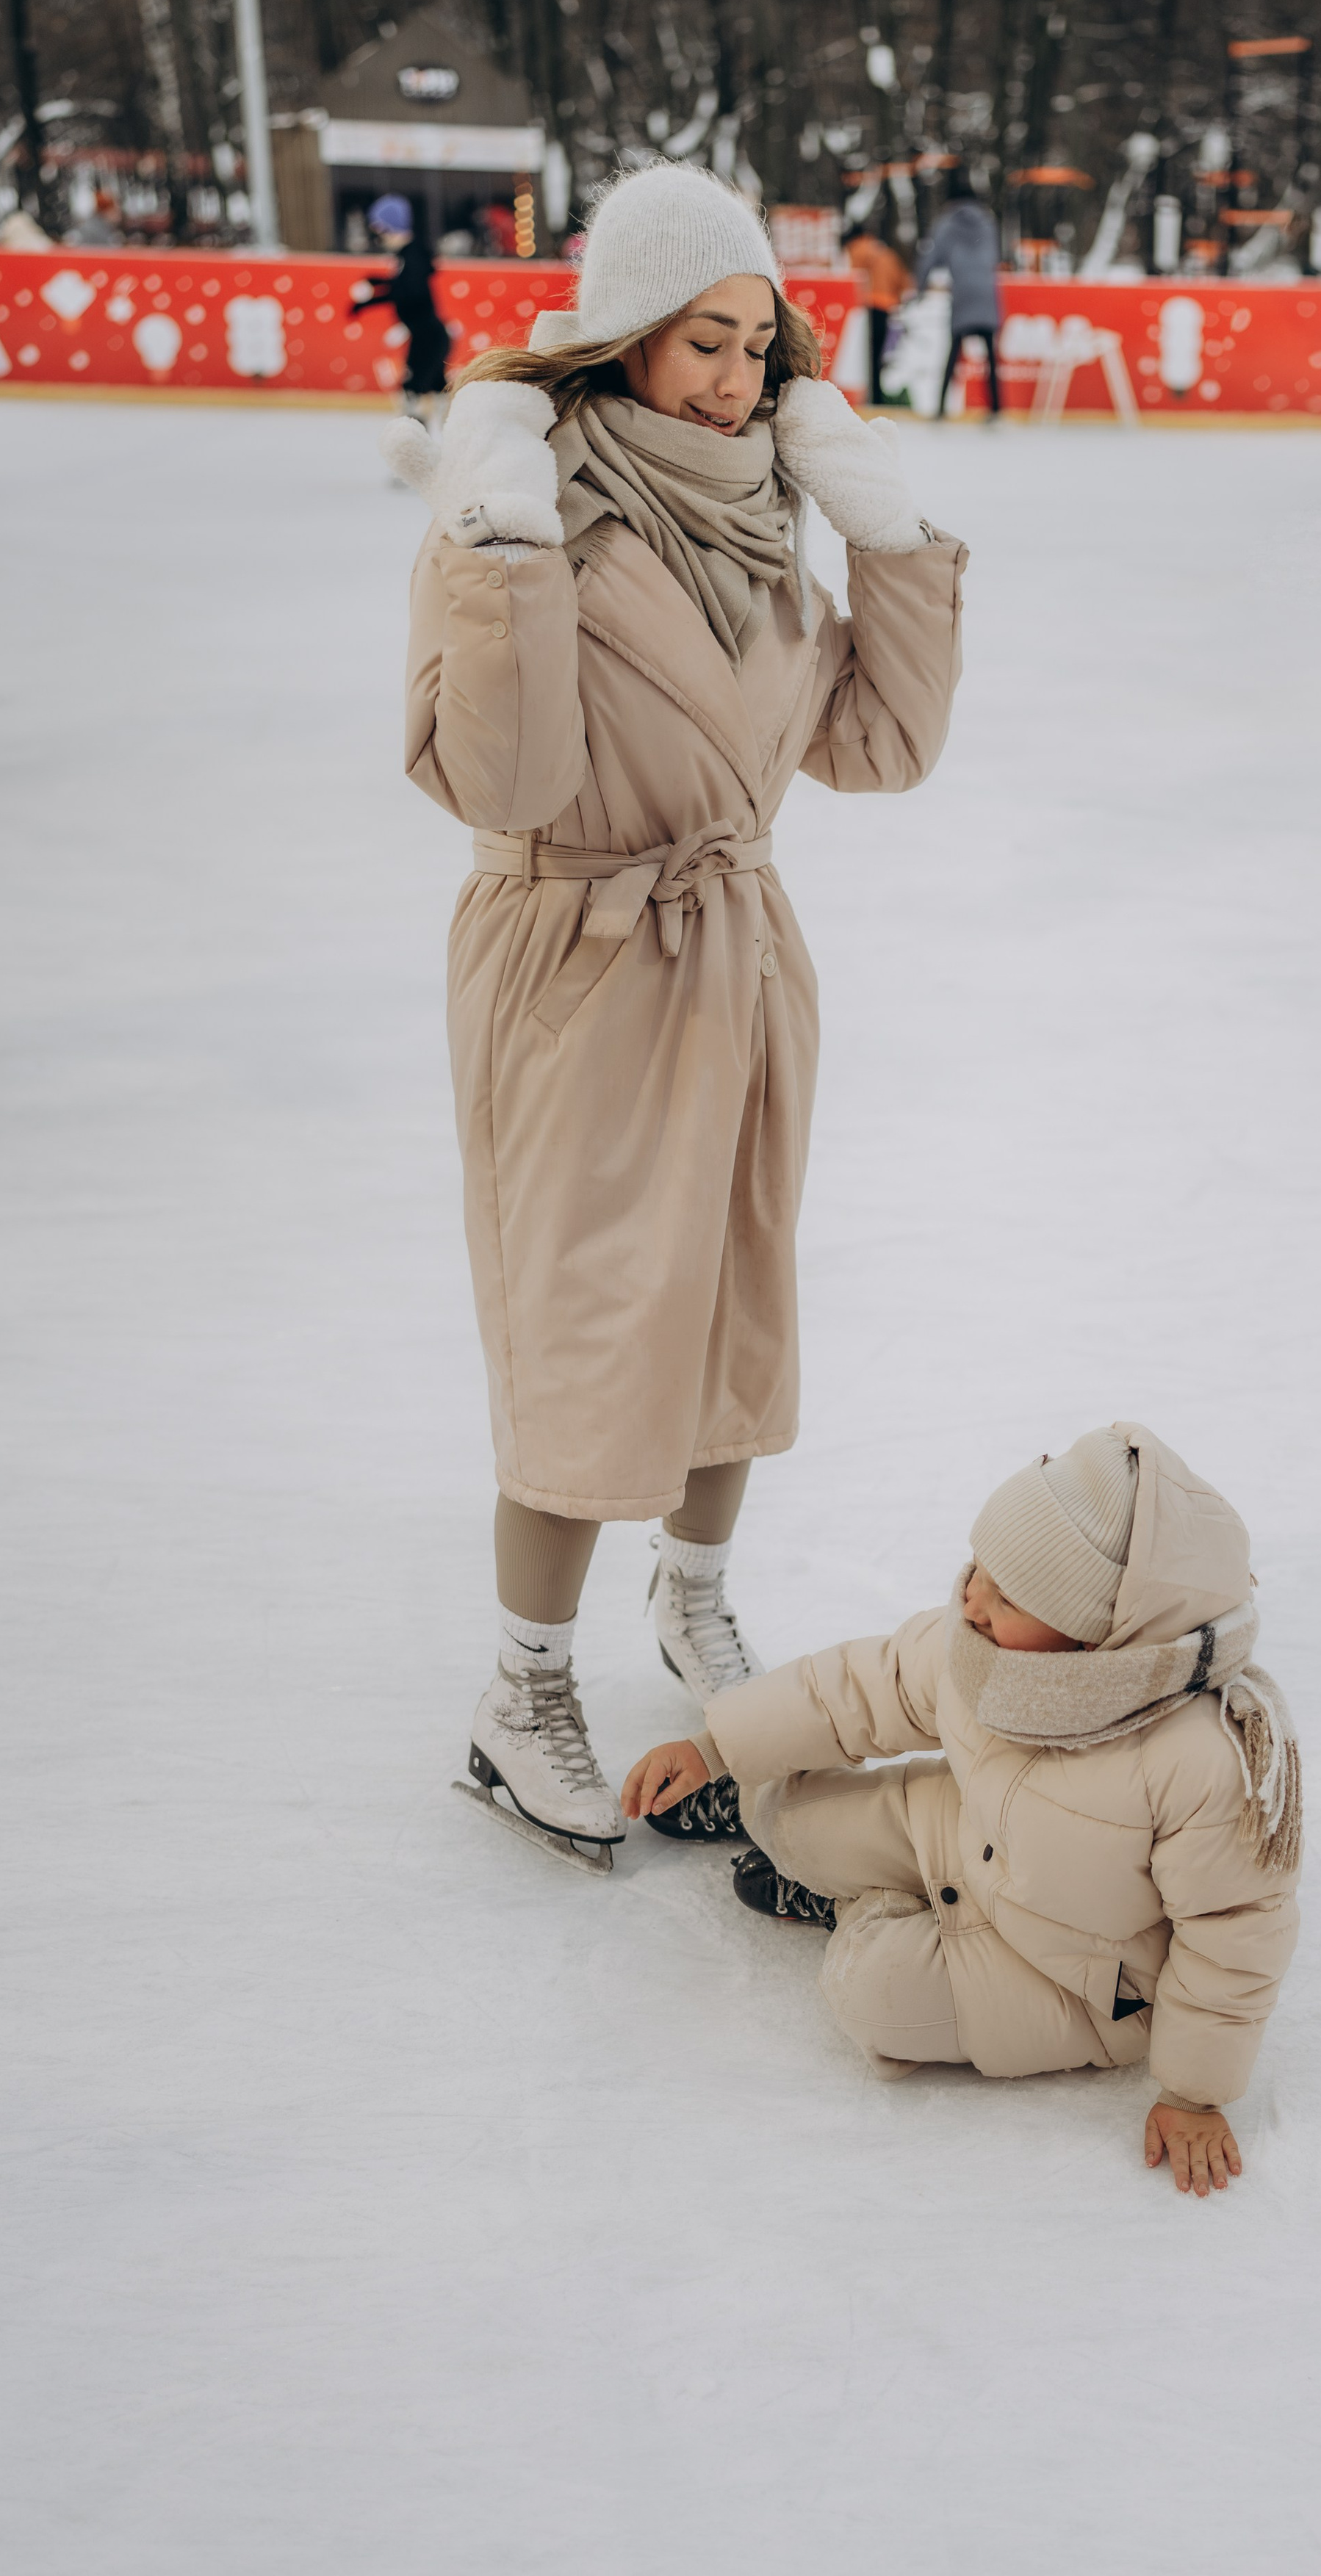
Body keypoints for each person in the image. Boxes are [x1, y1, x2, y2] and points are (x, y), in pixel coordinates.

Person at [386, 163, 968, 1856]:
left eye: (756, 345)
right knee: (586, 1324)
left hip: (734, 940)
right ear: (624, 337)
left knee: (730, 1300)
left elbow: (877, 747)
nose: (735, 378)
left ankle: (694, 1598)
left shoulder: (764, 498)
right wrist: (498, 549)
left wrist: (888, 533)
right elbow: (506, 772)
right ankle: (521, 1682)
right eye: (703, 344)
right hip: (574, 949)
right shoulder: (529, 498)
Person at [622, 1424, 1302, 2198]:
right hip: (968, 1833)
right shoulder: (985, 1644)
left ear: (1092, 1639)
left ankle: (857, 1910)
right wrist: (715, 1747)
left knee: (874, 1994)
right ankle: (807, 1851)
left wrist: (1194, 2093)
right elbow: (861, 1686)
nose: (971, 1598)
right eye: (979, 1566)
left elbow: (1233, 1935)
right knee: (787, 1807)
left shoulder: (1206, 1760)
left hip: (1082, 1979)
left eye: (1007, 1596)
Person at [351, 194, 450, 420]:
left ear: (391, 227)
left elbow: (409, 292)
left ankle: (415, 441)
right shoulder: (409, 255)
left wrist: (370, 301)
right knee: (432, 392)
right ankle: (430, 439)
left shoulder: (412, 255)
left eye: (381, 231)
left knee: (413, 392)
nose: (380, 237)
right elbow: (405, 285)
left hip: (429, 337)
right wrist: (379, 283)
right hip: (427, 335)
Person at [916, 171, 1002, 419]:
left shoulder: (948, 222)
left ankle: (942, 408)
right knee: (989, 355)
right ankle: (996, 409)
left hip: (963, 291)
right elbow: (994, 255)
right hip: (987, 290)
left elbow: (931, 257)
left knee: (954, 352)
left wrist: (921, 287)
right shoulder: (988, 221)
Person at [842, 220, 912, 407]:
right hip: (886, 308)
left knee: (868, 355)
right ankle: (877, 395)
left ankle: (872, 397)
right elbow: (903, 282)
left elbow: (852, 279)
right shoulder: (886, 253)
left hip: (867, 307)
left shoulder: (855, 249)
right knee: (879, 354)